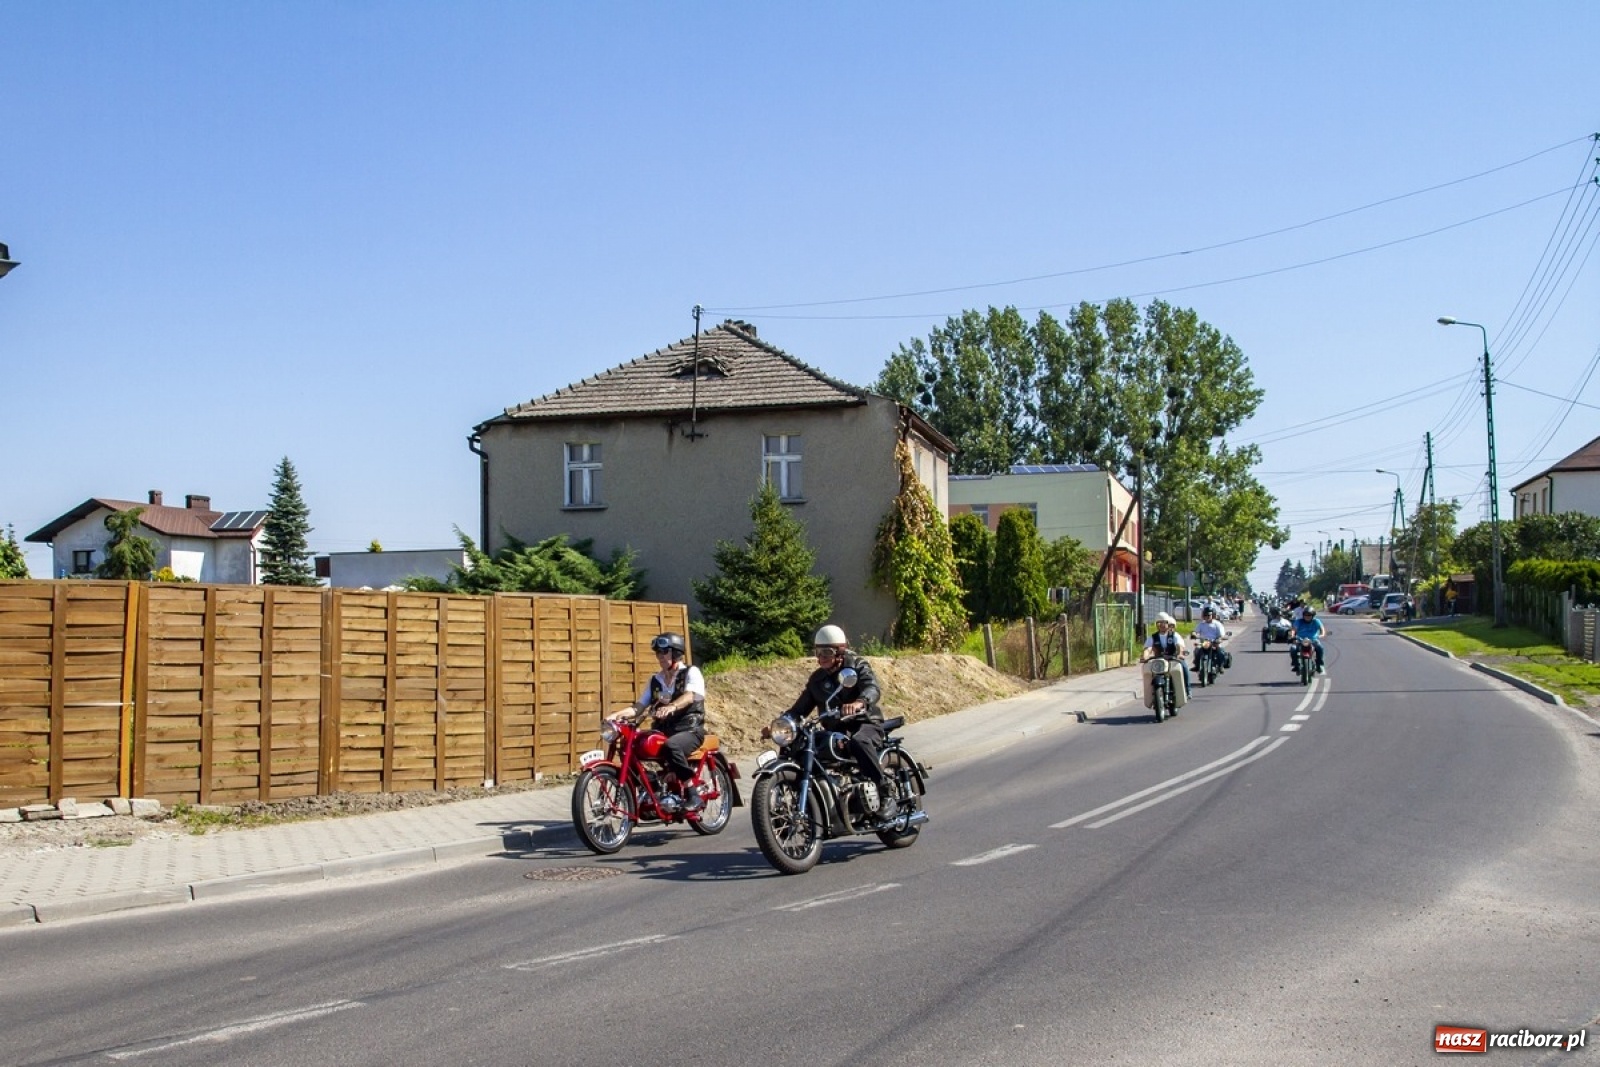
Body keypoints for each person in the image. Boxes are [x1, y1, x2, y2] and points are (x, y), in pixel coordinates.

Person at [782, 624, 894, 817]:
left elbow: (872, 687)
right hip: (836, 730)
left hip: (865, 723)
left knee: (859, 741)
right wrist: (781, 723)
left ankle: (885, 792)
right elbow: (800, 709)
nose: (821, 657)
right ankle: (791, 805)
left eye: (826, 652)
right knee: (799, 745)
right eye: (818, 652)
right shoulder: (817, 680)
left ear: (840, 652)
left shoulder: (857, 665)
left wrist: (860, 702)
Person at [609, 632, 707, 810]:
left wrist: (672, 706)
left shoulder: (691, 672)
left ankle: (692, 793)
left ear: (676, 653)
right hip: (663, 730)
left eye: (664, 652)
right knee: (629, 748)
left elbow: (690, 695)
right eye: (658, 653)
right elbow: (639, 706)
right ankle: (652, 786)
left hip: (690, 729)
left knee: (672, 746)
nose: (660, 656)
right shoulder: (656, 680)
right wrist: (615, 715)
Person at [1141, 611, 1190, 709]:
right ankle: (1151, 695)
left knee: (1184, 667)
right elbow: (1148, 649)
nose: (1162, 625)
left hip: (1173, 659)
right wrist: (1145, 656)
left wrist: (1180, 654)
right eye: (1159, 623)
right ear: (1156, 625)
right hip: (1158, 661)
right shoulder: (1153, 637)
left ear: (1168, 624)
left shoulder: (1174, 635)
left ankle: (1187, 690)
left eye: (1164, 623)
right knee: (1147, 671)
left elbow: (1179, 646)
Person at [1290, 605, 1326, 674]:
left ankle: (1319, 664)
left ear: (1313, 616)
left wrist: (1322, 634)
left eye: (1309, 615)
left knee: (1320, 648)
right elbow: (1294, 630)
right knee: (1293, 649)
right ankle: (1296, 665)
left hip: (1313, 640)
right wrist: (1292, 636)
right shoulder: (1299, 621)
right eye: (1306, 615)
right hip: (1300, 640)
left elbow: (1322, 629)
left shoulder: (1316, 621)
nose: (1307, 617)